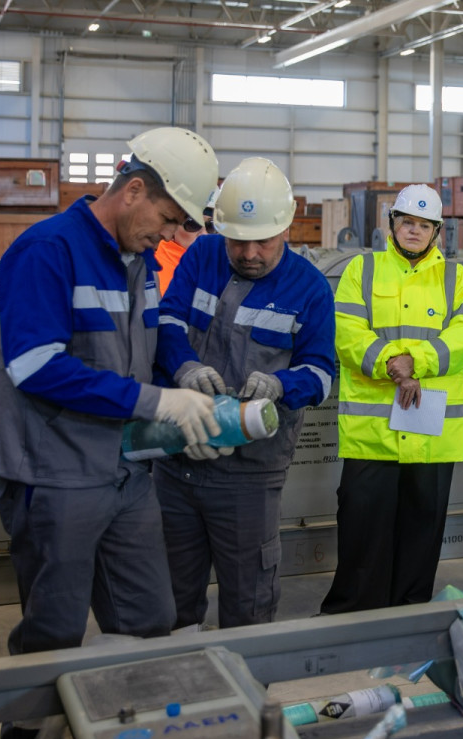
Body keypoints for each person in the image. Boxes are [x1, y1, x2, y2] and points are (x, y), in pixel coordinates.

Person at [0, 127, 220, 739]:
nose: (170, 235)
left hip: (125, 473)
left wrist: (181, 390)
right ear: (134, 190)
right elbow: (35, 365)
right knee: (54, 634)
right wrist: (154, 404)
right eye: (168, 218)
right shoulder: (46, 251)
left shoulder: (136, 260)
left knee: (148, 620)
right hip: (55, 475)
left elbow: (144, 348)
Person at [155, 157, 335, 629]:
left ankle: (250, 693)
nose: (249, 252)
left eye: (263, 241)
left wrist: (281, 385)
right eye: (238, 240)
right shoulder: (201, 257)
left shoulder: (310, 288)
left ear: (287, 227)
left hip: (248, 473)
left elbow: (321, 373)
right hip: (178, 456)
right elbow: (169, 320)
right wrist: (184, 364)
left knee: (248, 597)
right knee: (169, 592)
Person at [320, 184, 463, 612]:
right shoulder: (363, 269)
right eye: (407, 222)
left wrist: (418, 362)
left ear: (437, 232)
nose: (414, 231)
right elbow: (347, 331)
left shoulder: (458, 278)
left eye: (423, 225)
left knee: (422, 527)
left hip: (430, 431)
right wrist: (392, 363)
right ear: (391, 225)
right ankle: (354, 612)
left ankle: (410, 612)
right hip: (372, 429)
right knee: (361, 522)